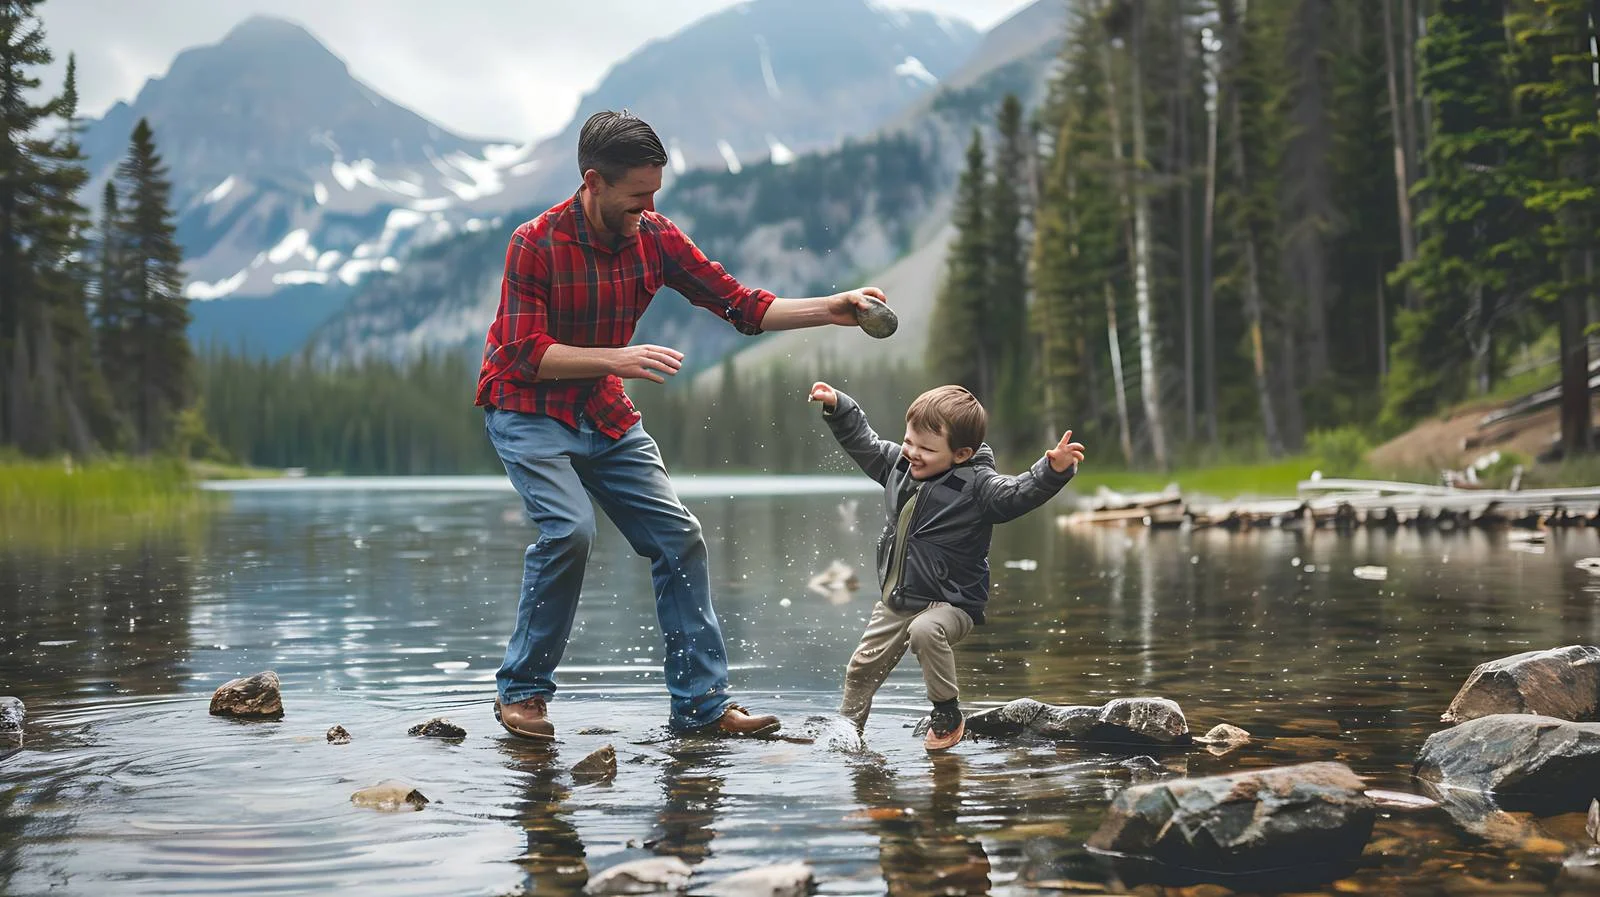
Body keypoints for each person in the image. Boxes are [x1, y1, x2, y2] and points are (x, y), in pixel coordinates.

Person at [476, 110, 889, 742]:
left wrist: (834, 309)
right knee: (568, 530)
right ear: (594, 182)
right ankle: (524, 692)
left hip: (601, 410)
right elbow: (524, 352)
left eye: (654, 195)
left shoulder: (656, 238)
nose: (647, 207)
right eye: (637, 196)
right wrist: (614, 358)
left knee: (680, 537)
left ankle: (701, 706)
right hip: (526, 407)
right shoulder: (534, 242)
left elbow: (745, 306)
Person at [808, 381, 1085, 751]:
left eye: (926, 448)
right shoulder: (899, 466)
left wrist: (1051, 471)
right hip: (899, 601)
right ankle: (846, 732)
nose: (912, 453)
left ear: (961, 453)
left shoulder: (978, 487)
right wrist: (839, 407)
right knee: (861, 668)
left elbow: (1017, 495)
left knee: (925, 631)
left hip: (951, 605)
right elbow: (864, 442)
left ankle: (947, 713)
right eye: (909, 441)